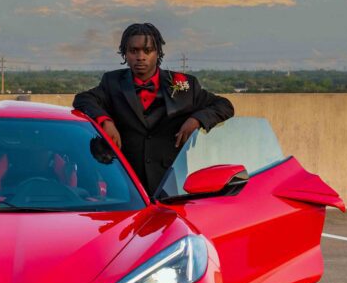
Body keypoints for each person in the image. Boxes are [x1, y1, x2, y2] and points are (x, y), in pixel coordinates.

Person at [72, 22, 234, 196]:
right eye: (133, 51)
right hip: (126, 187)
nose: (140, 57)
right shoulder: (112, 83)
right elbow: (83, 99)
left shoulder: (185, 86)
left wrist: (197, 120)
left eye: (147, 51)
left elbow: (224, 105)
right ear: (125, 53)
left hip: (171, 188)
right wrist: (105, 121)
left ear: (158, 53)